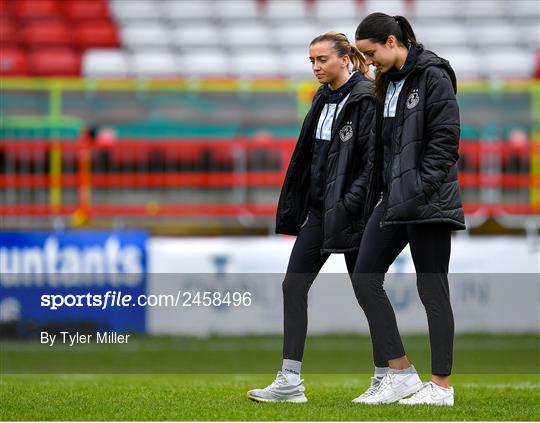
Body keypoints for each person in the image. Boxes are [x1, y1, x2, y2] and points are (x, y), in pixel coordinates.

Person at [246, 32, 376, 403]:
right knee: (293, 285)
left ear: (345, 59)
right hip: (320, 214)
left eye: (322, 60)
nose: (316, 67)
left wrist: (351, 203)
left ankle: (388, 374)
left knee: (368, 291)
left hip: (352, 214)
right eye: (312, 61)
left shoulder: (364, 97)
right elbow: (310, 159)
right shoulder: (322, 97)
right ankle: (290, 381)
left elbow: (369, 163)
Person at [350, 13, 465, 406]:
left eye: (371, 53)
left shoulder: (434, 75)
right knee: (364, 277)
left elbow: (446, 140)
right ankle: (400, 372)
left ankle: (441, 387)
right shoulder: (386, 83)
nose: (369, 63)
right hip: (392, 200)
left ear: (392, 41)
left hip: (428, 202)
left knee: (432, 289)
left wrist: (417, 190)